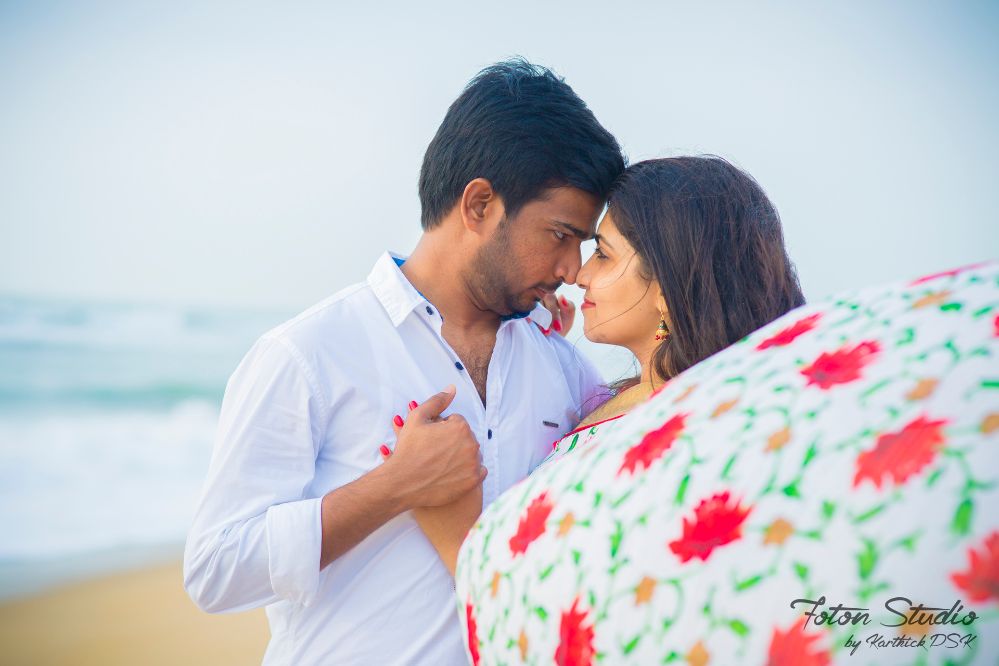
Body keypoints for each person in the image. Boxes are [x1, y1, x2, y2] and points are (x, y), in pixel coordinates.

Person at [182, 58, 624, 665]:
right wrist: (393, 487)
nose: (572, 269)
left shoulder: (562, 367)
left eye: (582, 244)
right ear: (479, 205)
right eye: (560, 234)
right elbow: (215, 570)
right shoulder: (309, 353)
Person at [403, 155, 806, 575]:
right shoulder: (650, 404)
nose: (579, 274)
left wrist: (456, 537)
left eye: (603, 254)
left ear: (667, 287)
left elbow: (585, 595)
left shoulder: (681, 435)